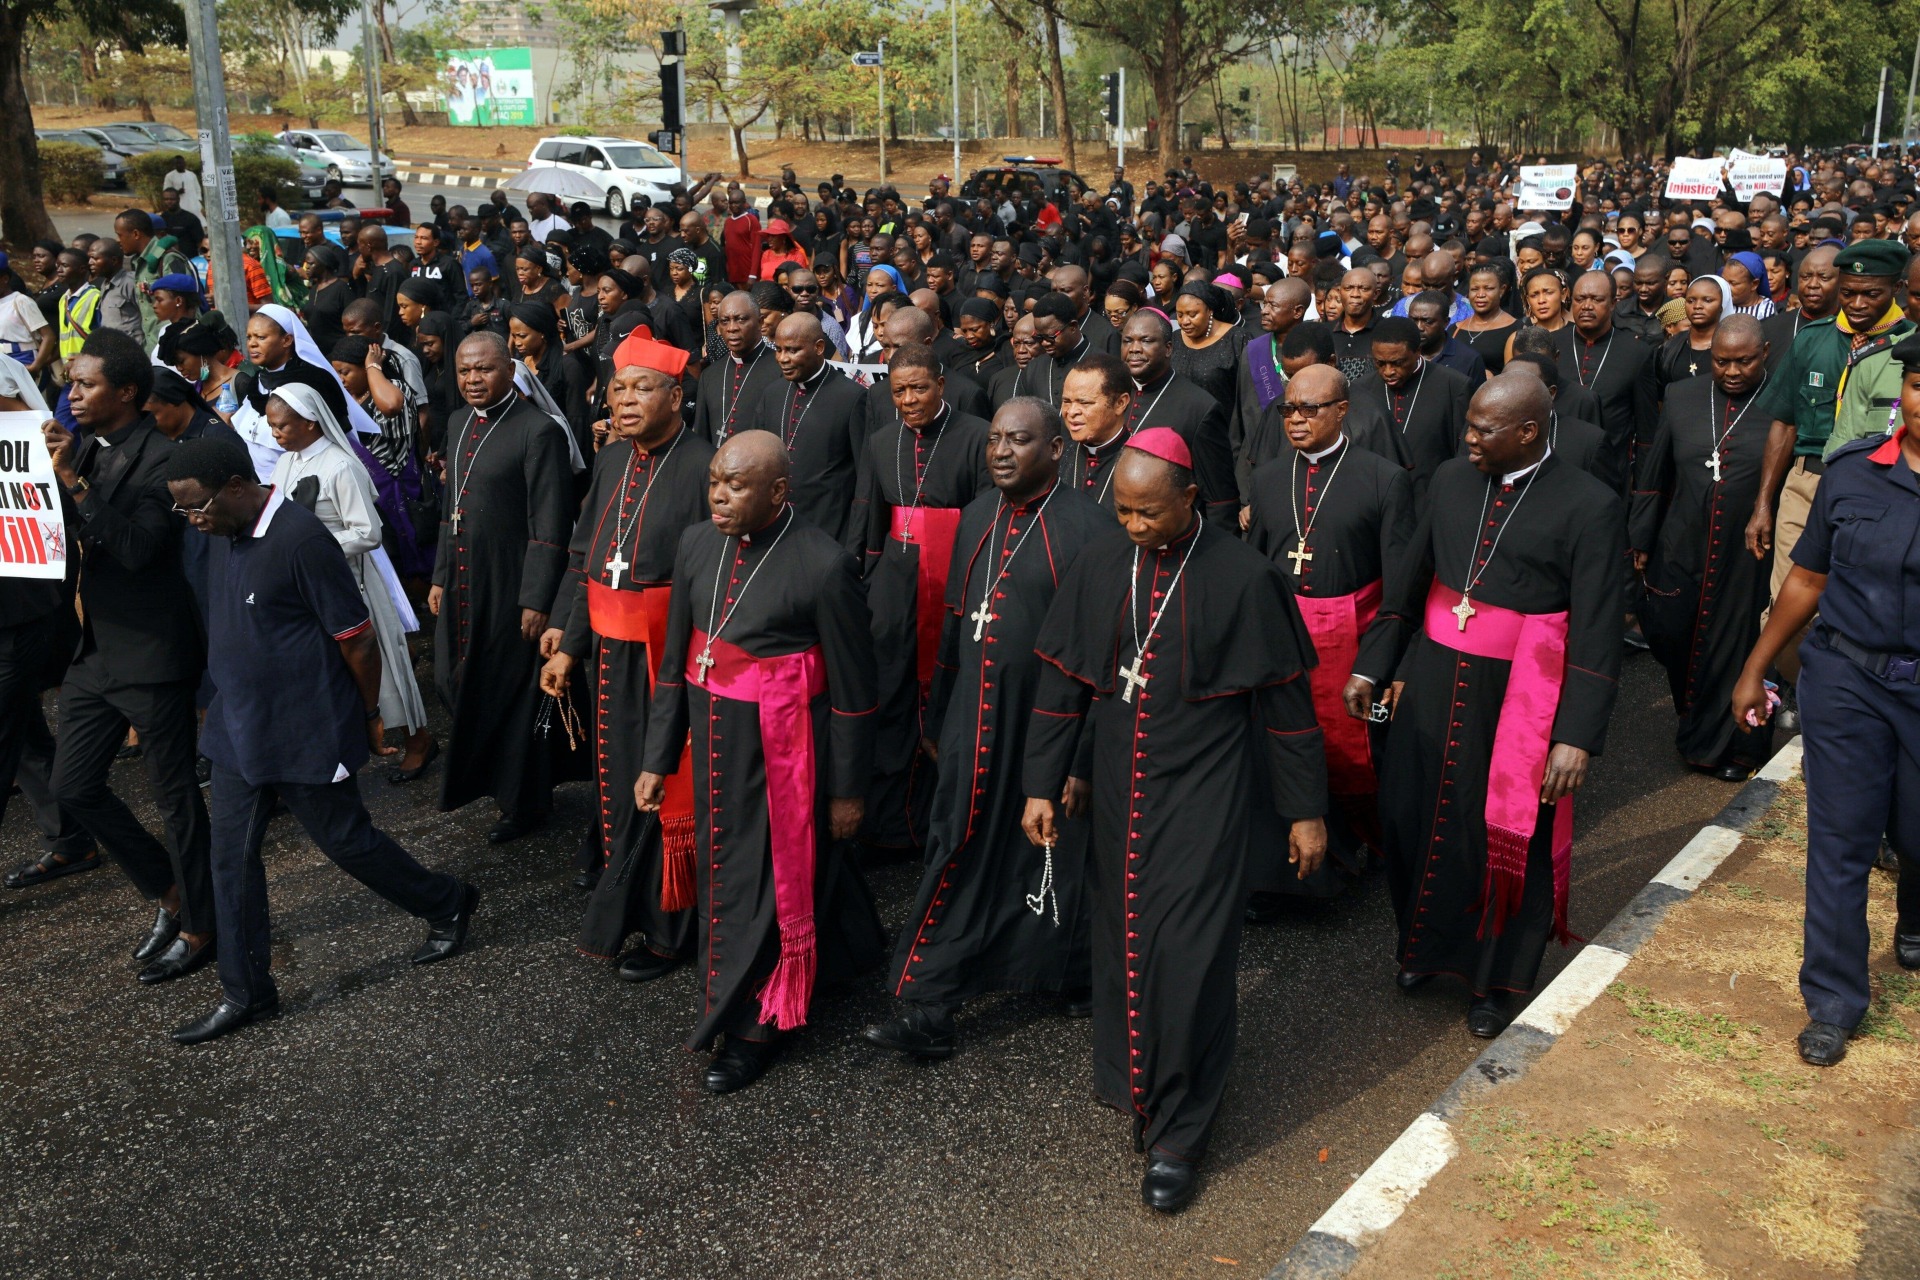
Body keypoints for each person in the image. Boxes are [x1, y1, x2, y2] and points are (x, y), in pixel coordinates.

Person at [1022, 428, 1327, 1213]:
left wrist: (1305, 813)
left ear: (1191, 499)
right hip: (1123, 783)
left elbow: (1289, 710)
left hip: (1208, 789)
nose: (1133, 526)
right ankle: (1141, 1089)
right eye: (1121, 511)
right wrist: (1041, 785)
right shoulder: (1101, 563)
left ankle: (1182, 1130)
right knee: (1126, 939)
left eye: (1149, 513)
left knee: (1189, 952)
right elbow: (1063, 685)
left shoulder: (1244, 576)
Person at [160, 436, 477, 1045]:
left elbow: (355, 639)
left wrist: (365, 715)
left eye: (196, 505)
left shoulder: (301, 539)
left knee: (347, 843)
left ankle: (445, 901)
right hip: (237, 729)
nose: (191, 519)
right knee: (229, 861)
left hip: (305, 726)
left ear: (234, 486)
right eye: (182, 510)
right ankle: (246, 992)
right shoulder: (221, 536)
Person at [1346, 373, 1622, 1038]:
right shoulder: (1447, 479)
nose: (1468, 437)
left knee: (1504, 833)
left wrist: (1576, 735)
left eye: (1484, 428)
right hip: (1437, 679)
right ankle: (1419, 949)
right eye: (1468, 424)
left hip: (1522, 693)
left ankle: (1493, 982)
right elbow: (1412, 581)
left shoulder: (1590, 504)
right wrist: (1373, 662)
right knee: (1413, 817)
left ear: (1528, 431)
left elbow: (1597, 629)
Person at [865, 397, 1122, 1059]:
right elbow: (955, 626)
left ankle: (1059, 973)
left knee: (1048, 861)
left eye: (1021, 440)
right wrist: (938, 713)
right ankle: (929, 1003)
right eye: (997, 440)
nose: (1003, 451)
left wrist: (1081, 760)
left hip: (1042, 734)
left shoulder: (1090, 530)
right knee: (961, 851)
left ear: (1057, 450)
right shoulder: (978, 513)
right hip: (970, 725)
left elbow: (1102, 661)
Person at [636, 430, 881, 1092]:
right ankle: (848, 957)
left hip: (782, 758)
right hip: (709, 745)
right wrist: (658, 758)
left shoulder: (825, 566)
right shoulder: (695, 545)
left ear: (778, 491)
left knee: (763, 888)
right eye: (715, 480)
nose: (719, 493)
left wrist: (847, 792)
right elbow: (675, 664)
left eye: (736, 485)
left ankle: (753, 1030)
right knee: (736, 881)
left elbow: (858, 696)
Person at [1733, 330, 1920, 1069]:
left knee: (1914, 830)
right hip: (1846, 677)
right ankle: (1834, 1001)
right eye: (1915, 386)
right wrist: (1757, 667)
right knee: (1840, 840)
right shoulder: (1851, 474)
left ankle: (1914, 909)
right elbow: (1807, 579)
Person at [42, 330, 214, 984]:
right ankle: (170, 894)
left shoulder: (165, 458)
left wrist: (75, 484)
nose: (72, 395)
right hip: (97, 652)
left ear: (127, 392)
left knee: (176, 802)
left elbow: (141, 548)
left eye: (85, 385)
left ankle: (203, 926)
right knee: (73, 786)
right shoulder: (84, 445)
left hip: (153, 652)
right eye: (71, 383)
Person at [541, 334, 712, 967]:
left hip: (668, 657)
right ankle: (630, 908)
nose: (628, 400)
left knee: (666, 787)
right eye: (619, 388)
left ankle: (673, 930)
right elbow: (588, 557)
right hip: (608, 653)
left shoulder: (702, 465)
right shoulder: (614, 460)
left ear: (676, 396)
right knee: (614, 786)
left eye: (643, 388)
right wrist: (568, 641)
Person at [1246, 364, 1413, 905]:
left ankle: (1370, 849)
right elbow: (1255, 570)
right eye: (1287, 409)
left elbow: (1400, 587)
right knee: (1285, 753)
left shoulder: (1384, 477)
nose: (1295, 419)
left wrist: (1385, 665)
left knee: (1361, 757)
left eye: (1308, 409)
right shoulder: (1270, 478)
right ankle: (1307, 874)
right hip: (1285, 642)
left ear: (1342, 410)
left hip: (1354, 642)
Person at [1748, 240, 1914, 720]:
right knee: (1786, 606)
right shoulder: (1812, 339)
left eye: (1872, 294)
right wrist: (1764, 502)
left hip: (1883, 492)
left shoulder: (1911, 345)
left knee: (1859, 612)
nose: (1858, 304)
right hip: (1807, 483)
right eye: (1850, 293)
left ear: (1897, 289)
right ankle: (1815, 698)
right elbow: (1784, 422)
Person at [429, 332, 579, 844]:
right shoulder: (456, 422)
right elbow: (453, 506)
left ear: (510, 371)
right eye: (465, 371)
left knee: (513, 694)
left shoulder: (539, 431)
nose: (473, 379)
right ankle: (495, 781)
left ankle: (525, 801)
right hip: (464, 579)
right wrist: (439, 574)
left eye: (484, 370)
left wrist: (537, 598)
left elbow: (551, 524)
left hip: (510, 583)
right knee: (456, 680)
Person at [849, 345, 992, 850]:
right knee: (892, 698)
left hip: (954, 582)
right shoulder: (882, 440)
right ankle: (893, 827)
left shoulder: (977, 438)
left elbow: (985, 522)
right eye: (899, 392)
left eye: (919, 388)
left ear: (940, 384)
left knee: (950, 698)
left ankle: (945, 820)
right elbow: (869, 522)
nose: (909, 400)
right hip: (895, 587)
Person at [263, 379, 435, 777]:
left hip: (353, 579)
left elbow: (368, 533)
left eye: (282, 427)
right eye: (271, 426)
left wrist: (311, 544)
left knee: (385, 663)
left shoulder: (340, 465)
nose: (275, 434)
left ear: (310, 422)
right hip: (311, 583)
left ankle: (418, 739)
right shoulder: (287, 461)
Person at [1632, 315, 1775, 780]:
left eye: (1743, 362)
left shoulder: (1780, 404)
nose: (1732, 372)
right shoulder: (1681, 395)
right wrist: (1641, 538)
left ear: (1764, 355)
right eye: (1721, 362)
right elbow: (1654, 474)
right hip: (1682, 539)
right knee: (1671, 633)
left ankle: (1734, 749)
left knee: (1734, 643)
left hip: (1747, 549)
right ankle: (1691, 715)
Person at [749, 312, 867, 542]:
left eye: (793, 350)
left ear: (819, 347)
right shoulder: (772, 394)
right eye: (779, 349)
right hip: (776, 525)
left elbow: (864, 479)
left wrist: (855, 543)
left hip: (829, 529)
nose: (783, 358)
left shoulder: (852, 398)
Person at [1116, 310, 1238, 530]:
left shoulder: (1200, 407)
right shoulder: (1113, 394)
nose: (1134, 349)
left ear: (1168, 349)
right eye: (1127, 341)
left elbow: (1220, 499)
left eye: (1146, 341)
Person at [1342, 316, 1472, 495]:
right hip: (1376, 495)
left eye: (1398, 363)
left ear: (1417, 351)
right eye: (1380, 363)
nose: (1388, 371)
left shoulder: (1454, 385)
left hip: (1430, 495)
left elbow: (1462, 453)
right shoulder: (1360, 389)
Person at [1553, 270, 1658, 491]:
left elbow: (1646, 428)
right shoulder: (1553, 345)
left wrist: (1642, 487)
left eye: (1597, 299)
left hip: (1610, 471)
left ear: (1613, 303)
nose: (1587, 306)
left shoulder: (1636, 351)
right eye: (1580, 299)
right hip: (1555, 466)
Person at [693, 292, 779, 447]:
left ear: (760, 322)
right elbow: (701, 437)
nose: (732, 328)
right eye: (724, 321)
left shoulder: (781, 370)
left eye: (741, 319)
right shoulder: (710, 375)